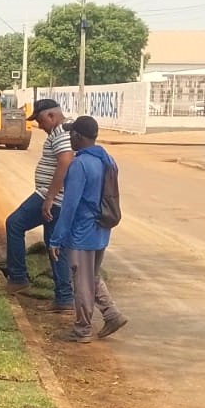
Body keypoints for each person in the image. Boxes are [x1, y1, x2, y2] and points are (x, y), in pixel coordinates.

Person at [48, 116, 128, 343]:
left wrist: (56, 238)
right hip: (102, 229)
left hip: (82, 232)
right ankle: (111, 314)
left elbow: (70, 205)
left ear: (78, 136)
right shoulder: (107, 159)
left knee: (82, 281)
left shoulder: (80, 164)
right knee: (91, 276)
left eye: (71, 134)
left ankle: (82, 329)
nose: (69, 138)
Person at [4, 98, 75, 312]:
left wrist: (50, 197)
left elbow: (65, 161)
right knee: (54, 245)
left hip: (52, 198)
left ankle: (18, 277)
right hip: (54, 197)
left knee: (15, 223)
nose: (39, 125)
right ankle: (64, 297)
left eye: (41, 120)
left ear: (51, 116)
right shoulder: (63, 130)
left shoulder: (62, 132)